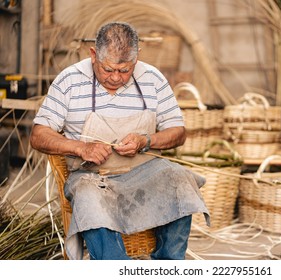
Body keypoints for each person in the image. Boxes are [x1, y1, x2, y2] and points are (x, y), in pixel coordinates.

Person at [30, 22, 210, 260]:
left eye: (125, 71)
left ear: (136, 60)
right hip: (92, 176)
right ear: (93, 54)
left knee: (180, 179)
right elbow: (38, 134)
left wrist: (145, 140)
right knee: (88, 197)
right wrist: (81, 148)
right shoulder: (70, 81)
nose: (116, 78)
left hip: (144, 170)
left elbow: (178, 132)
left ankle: (169, 263)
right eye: (107, 69)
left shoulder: (153, 79)